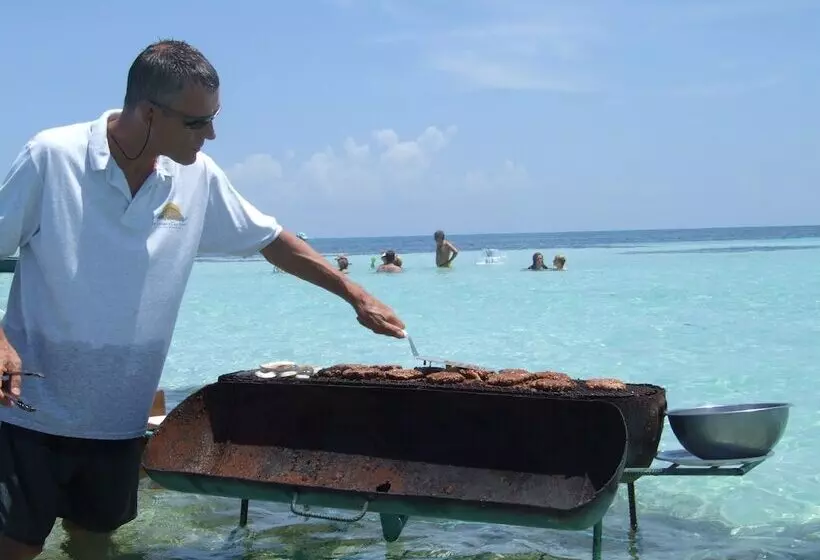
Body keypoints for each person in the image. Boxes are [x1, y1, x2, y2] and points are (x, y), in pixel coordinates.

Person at [0, 39, 405, 560]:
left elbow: (271, 239)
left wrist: (354, 293)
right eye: (197, 123)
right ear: (148, 112)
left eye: (215, 118)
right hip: (28, 410)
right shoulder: (51, 157)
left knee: (93, 545)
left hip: (120, 417)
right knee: (15, 548)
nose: (211, 135)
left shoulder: (197, 177)